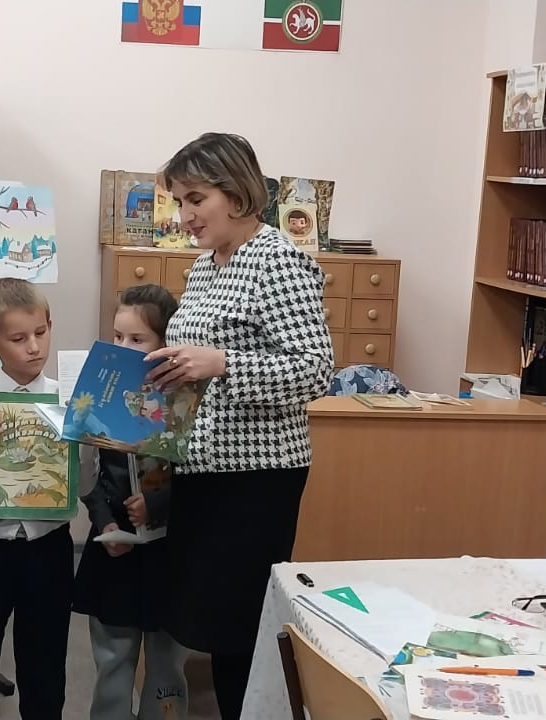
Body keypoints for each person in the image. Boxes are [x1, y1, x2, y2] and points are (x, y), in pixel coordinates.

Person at [143, 132, 335, 719]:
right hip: (203, 470)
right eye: (180, 201)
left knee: (240, 629)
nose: (186, 215)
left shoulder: (279, 260)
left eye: (196, 198)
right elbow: (196, 363)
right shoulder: (205, 267)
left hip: (255, 478)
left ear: (237, 192)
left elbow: (315, 369)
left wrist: (222, 363)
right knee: (214, 623)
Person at [0, 278, 92, 720]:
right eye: (18, 338)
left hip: (49, 549)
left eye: (41, 333)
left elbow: (83, 487)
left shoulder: (69, 401)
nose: (34, 347)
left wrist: (85, 445)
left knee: (45, 662)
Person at [73, 283, 190, 720]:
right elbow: (90, 475)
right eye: (117, 336)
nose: (123, 348)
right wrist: (105, 523)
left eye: (137, 339)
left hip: (167, 555)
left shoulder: (185, 401)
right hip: (114, 552)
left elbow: (197, 478)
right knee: (112, 659)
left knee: (166, 663)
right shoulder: (100, 395)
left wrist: (157, 506)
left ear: (164, 343)